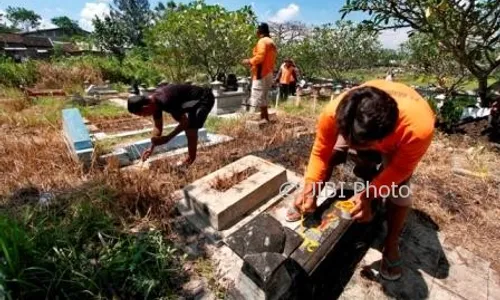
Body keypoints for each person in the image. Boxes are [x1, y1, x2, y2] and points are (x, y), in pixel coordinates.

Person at [286, 79, 435, 281]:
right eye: (349, 140)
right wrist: (311, 186)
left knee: (400, 190)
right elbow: (320, 152)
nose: (352, 147)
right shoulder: (333, 111)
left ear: (384, 137)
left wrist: (368, 195)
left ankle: (391, 244)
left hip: (397, 137)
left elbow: (399, 170)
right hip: (360, 128)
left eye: (359, 145)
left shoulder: (417, 129)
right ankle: (308, 200)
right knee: (332, 155)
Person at [127, 83, 215, 166]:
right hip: (189, 102)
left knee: (191, 128)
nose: (144, 116)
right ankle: (190, 159)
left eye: (142, 114)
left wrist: (168, 138)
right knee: (189, 126)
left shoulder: (167, 101)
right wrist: (151, 147)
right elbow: (158, 127)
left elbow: (185, 122)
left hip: (204, 99)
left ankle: (190, 160)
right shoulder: (154, 103)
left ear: (145, 107)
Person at [242, 23, 277, 122]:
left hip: (261, 72)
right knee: (264, 96)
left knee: (257, 95)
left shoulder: (262, 41)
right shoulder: (271, 42)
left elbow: (260, 57)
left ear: (259, 31)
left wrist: (249, 61)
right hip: (268, 72)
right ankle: (265, 118)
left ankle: (258, 119)